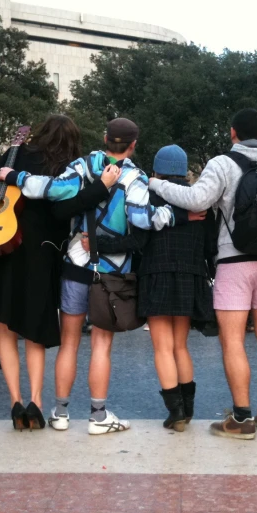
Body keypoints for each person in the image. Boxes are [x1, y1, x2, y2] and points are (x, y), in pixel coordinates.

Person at [0, 117, 176, 434]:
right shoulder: (134, 177)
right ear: (134, 144)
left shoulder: (83, 165)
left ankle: (60, 413)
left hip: (74, 267)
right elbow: (142, 219)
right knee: (101, 346)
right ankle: (97, 416)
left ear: (106, 138)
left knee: (69, 344)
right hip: (111, 274)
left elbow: (51, 190)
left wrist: (15, 176)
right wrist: (170, 214)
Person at [150, 108, 257, 440]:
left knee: (234, 341)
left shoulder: (223, 164)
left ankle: (241, 419)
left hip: (235, 263)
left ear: (232, 133)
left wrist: (156, 184)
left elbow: (197, 200)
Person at [0, 114, 111, 430]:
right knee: (34, 330)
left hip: (4, 247)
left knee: (6, 328)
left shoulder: (17, 155)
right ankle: (36, 401)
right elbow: (69, 208)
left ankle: (15, 401)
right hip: (45, 252)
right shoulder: (71, 166)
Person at [89, 145, 215, 431]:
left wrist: (97, 245)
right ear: (184, 171)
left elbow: (136, 242)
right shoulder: (199, 201)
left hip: (156, 276)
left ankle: (176, 413)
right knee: (181, 346)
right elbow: (210, 248)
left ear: (156, 170)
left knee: (162, 348)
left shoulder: (147, 197)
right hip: (190, 277)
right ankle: (188, 409)